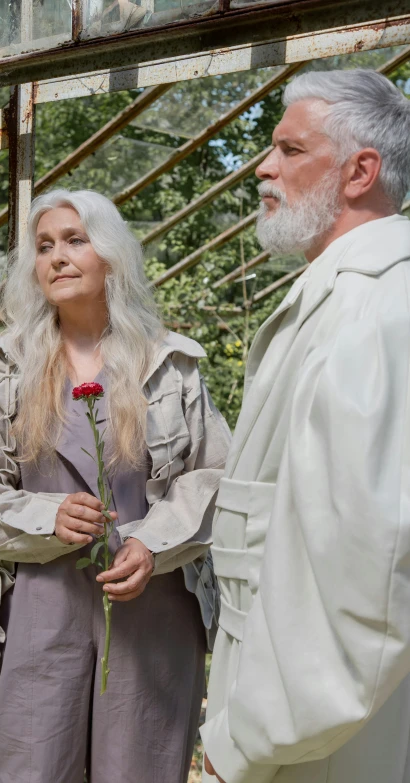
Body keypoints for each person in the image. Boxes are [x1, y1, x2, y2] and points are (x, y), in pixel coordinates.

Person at [0, 189, 231, 783]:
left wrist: (154, 543)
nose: (58, 257)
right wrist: (45, 517)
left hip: (153, 610)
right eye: (44, 247)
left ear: (112, 257)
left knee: (137, 769)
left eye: (75, 240)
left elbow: (217, 476)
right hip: (43, 609)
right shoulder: (5, 368)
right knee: (31, 764)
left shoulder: (168, 367)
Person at [202, 69, 410, 783]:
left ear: (360, 171)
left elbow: (368, 575)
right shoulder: (342, 293)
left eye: (289, 150)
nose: (262, 167)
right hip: (290, 711)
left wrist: (247, 739)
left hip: (316, 739)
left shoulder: (375, 311)